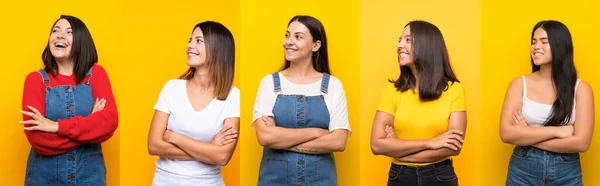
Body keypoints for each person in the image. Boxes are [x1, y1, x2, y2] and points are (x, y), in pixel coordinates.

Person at [253, 15, 351, 186]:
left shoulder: (333, 86)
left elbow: (338, 141)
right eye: (287, 35)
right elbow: (265, 137)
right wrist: (317, 132)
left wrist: (280, 139)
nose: (289, 42)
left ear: (316, 45)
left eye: (298, 37)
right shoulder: (269, 83)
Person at [21, 15, 118, 186]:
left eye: (68, 32)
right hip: (44, 179)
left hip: (90, 179)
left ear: (81, 41)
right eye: (55, 31)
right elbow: (38, 139)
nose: (60, 35)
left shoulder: (97, 74)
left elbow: (109, 122)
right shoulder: (35, 80)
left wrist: (55, 126)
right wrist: (91, 126)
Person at [370, 20, 466, 186]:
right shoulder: (391, 90)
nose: (399, 45)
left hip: (440, 176)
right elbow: (377, 145)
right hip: (399, 177)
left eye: (408, 40)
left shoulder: (454, 89)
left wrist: (398, 150)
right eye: (400, 40)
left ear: (427, 45)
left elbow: (453, 147)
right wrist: (430, 142)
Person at [500, 20, 594, 186]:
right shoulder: (519, 84)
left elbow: (581, 142)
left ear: (560, 46)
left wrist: (527, 133)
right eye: (533, 42)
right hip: (523, 170)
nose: (536, 47)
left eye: (544, 42)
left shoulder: (581, 88)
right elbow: (506, 134)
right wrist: (557, 131)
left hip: (567, 173)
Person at [147, 21, 240, 186]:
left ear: (217, 49)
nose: (189, 45)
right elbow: (154, 146)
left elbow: (222, 157)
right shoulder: (171, 88)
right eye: (190, 40)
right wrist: (208, 149)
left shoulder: (233, 96)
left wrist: (174, 137)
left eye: (198, 41)